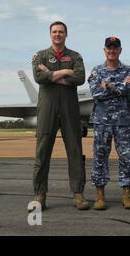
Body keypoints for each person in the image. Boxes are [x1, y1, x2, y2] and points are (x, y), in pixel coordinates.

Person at [29, 21, 89, 211]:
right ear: (50, 34)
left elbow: (79, 78)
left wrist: (51, 74)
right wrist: (65, 72)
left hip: (70, 108)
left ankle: (78, 194)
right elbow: (39, 78)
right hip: (47, 108)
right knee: (42, 151)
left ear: (66, 34)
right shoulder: (40, 55)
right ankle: (39, 195)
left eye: (61, 32)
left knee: (75, 150)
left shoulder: (75, 56)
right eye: (54, 32)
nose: (57, 34)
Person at [88, 37, 130, 210]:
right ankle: (100, 196)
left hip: (123, 123)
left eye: (115, 47)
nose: (112, 50)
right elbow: (95, 93)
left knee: (127, 158)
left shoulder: (129, 70)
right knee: (100, 157)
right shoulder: (96, 70)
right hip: (102, 123)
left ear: (120, 50)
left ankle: (127, 194)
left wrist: (107, 86)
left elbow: (128, 89)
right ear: (104, 50)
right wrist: (118, 87)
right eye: (109, 47)